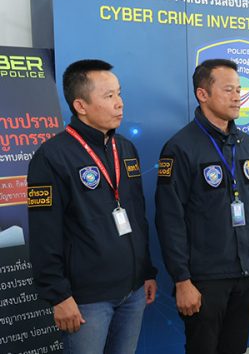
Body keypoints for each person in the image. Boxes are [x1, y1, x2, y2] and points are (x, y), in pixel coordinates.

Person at [27, 59, 157, 353]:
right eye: (109, 96)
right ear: (81, 105)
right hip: (87, 300)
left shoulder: (126, 149)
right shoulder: (51, 157)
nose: (119, 103)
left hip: (133, 291)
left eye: (119, 93)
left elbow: (137, 216)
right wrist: (59, 296)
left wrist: (147, 272)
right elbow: (44, 233)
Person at [155, 59, 249, 354]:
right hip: (205, 280)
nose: (237, 97)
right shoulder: (180, 147)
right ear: (203, 94)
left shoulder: (246, 145)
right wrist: (182, 280)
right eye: (228, 90)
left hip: (247, 273)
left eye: (239, 90)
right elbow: (170, 219)